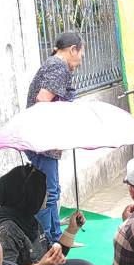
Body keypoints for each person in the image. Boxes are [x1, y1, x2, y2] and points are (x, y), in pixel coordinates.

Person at [25, 31, 83, 243]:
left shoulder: (55, 65)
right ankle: (47, 242)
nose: (81, 59)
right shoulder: (58, 66)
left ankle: (56, 236)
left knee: (52, 191)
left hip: (46, 140)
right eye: (81, 53)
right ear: (73, 49)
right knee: (47, 194)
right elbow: (43, 99)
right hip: (43, 141)